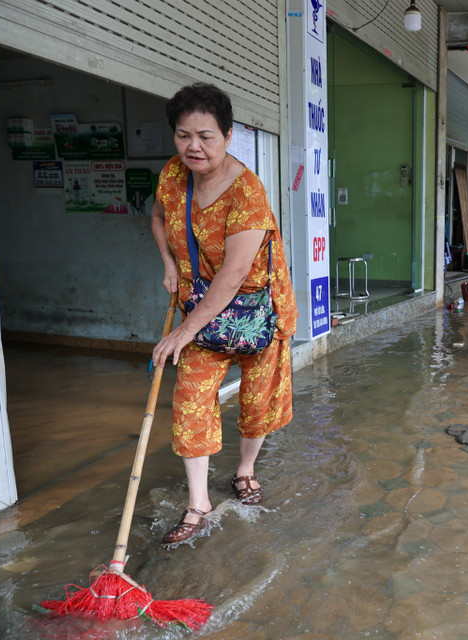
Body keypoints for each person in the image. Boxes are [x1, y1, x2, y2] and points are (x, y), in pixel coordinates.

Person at [150, 83, 297, 545]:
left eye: (205, 136)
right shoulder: (173, 175)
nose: (193, 146)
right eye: (183, 135)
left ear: (228, 136)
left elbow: (233, 276)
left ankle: (245, 470)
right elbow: (158, 217)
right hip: (200, 306)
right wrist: (169, 262)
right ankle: (199, 504)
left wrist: (181, 333)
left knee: (257, 402)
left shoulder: (247, 193)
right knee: (190, 399)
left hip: (257, 312)